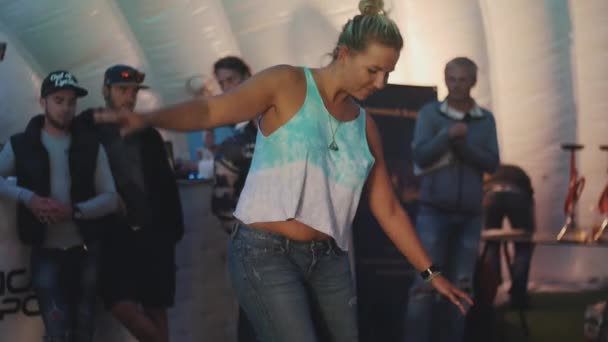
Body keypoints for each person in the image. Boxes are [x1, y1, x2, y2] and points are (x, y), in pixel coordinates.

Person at [95, 1, 472, 341]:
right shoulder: (288, 83)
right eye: (373, 70)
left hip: (330, 261)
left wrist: (431, 273)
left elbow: (387, 207)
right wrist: (146, 118)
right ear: (343, 53)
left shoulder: (365, 125)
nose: (381, 83)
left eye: (388, 72)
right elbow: (213, 110)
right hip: (265, 252)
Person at [0, 70, 119, 342]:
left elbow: (111, 197)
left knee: (84, 328)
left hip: (85, 250)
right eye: (58, 100)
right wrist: (27, 198)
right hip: (46, 251)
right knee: (57, 330)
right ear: (43, 103)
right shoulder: (22, 144)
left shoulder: (91, 145)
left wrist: (74, 211)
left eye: (71, 102)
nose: (66, 108)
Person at [78, 65, 184, 342]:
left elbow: (166, 183)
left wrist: (172, 230)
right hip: (114, 234)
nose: (129, 96)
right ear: (106, 91)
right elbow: (73, 124)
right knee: (119, 303)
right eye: (122, 89)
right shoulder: (90, 128)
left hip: (153, 232)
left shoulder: (148, 135)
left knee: (156, 308)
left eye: (133, 91)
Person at [404, 57, 500, 342]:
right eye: (452, 79)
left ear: (473, 81)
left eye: (463, 79)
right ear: (445, 79)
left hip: (470, 215)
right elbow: (420, 156)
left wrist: (464, 147)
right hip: (433, 213)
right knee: (423, 287)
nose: (457, 85)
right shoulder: (429, 114)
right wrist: (447, 136)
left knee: (462, 287)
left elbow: (493, 163)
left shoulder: (486, 119)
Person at [208, 56, 259, 342]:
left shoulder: (291, 132)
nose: (228, 88)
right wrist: (247, 239)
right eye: (222, 83)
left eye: (232, 80)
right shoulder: (234, 142)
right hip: (254, 250)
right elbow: (221, 204)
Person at [483, 163, 535, 309]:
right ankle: (518, 296)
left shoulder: (489, 172)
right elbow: (530, 204)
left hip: (490, 194)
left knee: (492, 245)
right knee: (523, 247)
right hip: (518, 194)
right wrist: (529, 234)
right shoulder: (519, 174)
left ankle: (492, 293)